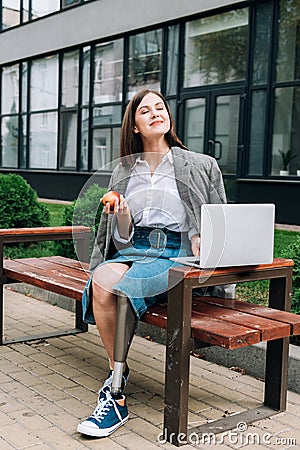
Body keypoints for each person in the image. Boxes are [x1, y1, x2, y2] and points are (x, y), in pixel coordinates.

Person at [77, 88, 234, 438]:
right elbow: (122, 236)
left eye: (160, 107)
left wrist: (202, 239)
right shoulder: (123, 173)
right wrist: (123, 216)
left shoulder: (201, 164)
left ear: (168, 117)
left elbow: (221, 221)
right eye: (144, 110)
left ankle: (114, 394)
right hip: (139, 247)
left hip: (179, 253)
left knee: (123, 287)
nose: (155, 113)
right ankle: (118, 371)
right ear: (134, 125)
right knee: (102, 280)